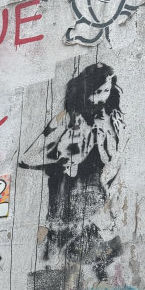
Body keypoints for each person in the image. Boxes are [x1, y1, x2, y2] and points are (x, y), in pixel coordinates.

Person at [20, 63, 124, 271]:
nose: (101, 98)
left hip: (92, 212)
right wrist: (56, 140)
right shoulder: (68, 120)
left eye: (106, 91)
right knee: (64, 271)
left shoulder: (110, 120)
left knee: (102, 267)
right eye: (97, 92)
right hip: (63, 214)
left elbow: (114, 161)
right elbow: (26, 159)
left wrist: (103, 134)